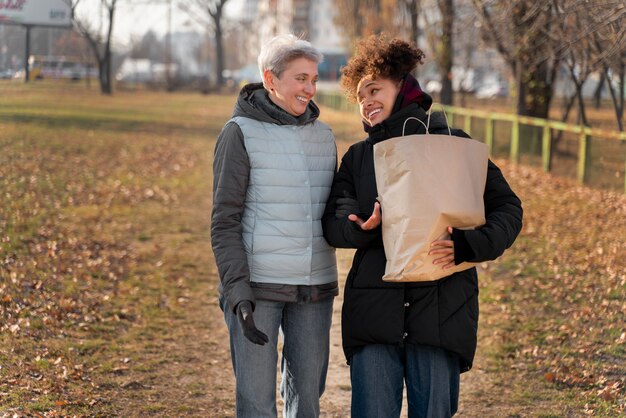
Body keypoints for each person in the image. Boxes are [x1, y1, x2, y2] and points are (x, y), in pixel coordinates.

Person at [322, 35, 523, 417]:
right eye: (361, 97)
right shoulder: (359, 158)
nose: (367, 103)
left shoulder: (452, 144)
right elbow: (333, 223)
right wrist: (360, 229)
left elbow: (508, 209)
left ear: (403, 86)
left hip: (442, 315)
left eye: (375, 90)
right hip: (374, 316)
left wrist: (469, 246)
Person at [211, 34, 338, 417]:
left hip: (314, 289)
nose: (310, 89)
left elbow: (330, 211)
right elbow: (224, 222)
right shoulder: (239, 133)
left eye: (314, 79)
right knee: (255, 401)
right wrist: (238, 293)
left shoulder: (324, 136)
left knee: (308, 402)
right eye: (301, 79)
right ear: (270, 79)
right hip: (258, 289)